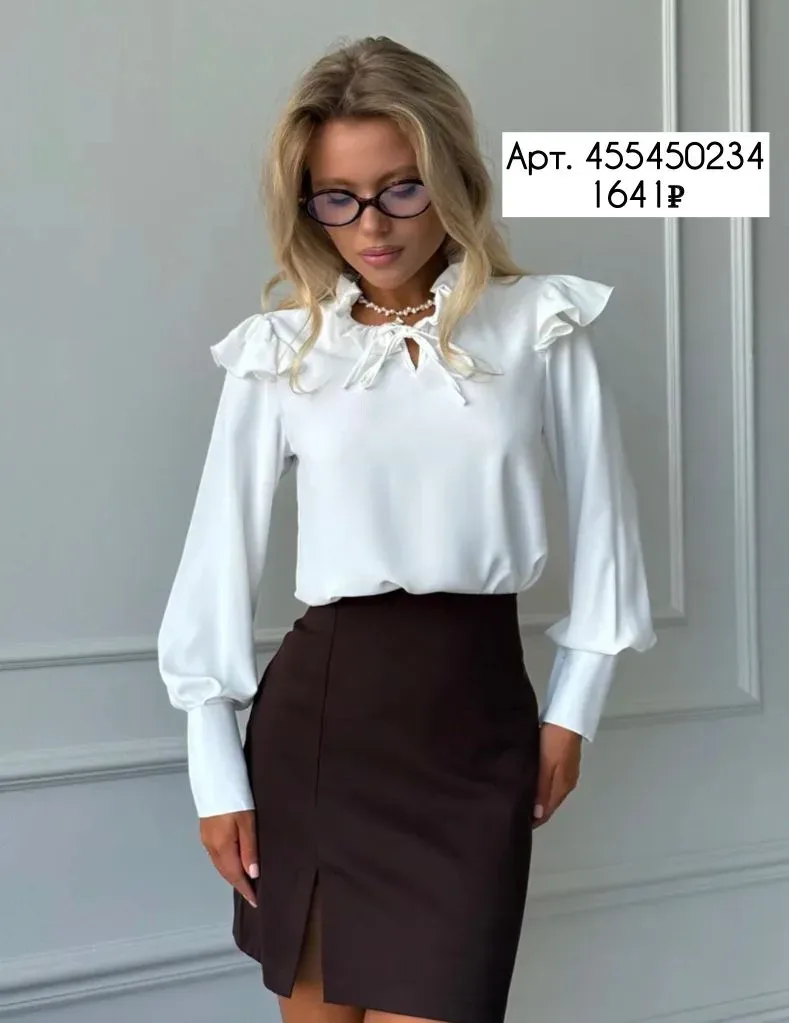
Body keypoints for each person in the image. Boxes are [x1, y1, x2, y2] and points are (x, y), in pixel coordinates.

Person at [157, 34, 656, 1023]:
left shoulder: (540, 325)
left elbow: (609, 531)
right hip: (317, 730)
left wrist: (572, 712)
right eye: (336, 198)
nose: (371, 225)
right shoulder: (282, 352)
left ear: (453, 177)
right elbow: (214, 565)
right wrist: (215, 773)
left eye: (400, 189)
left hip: (475, 727)